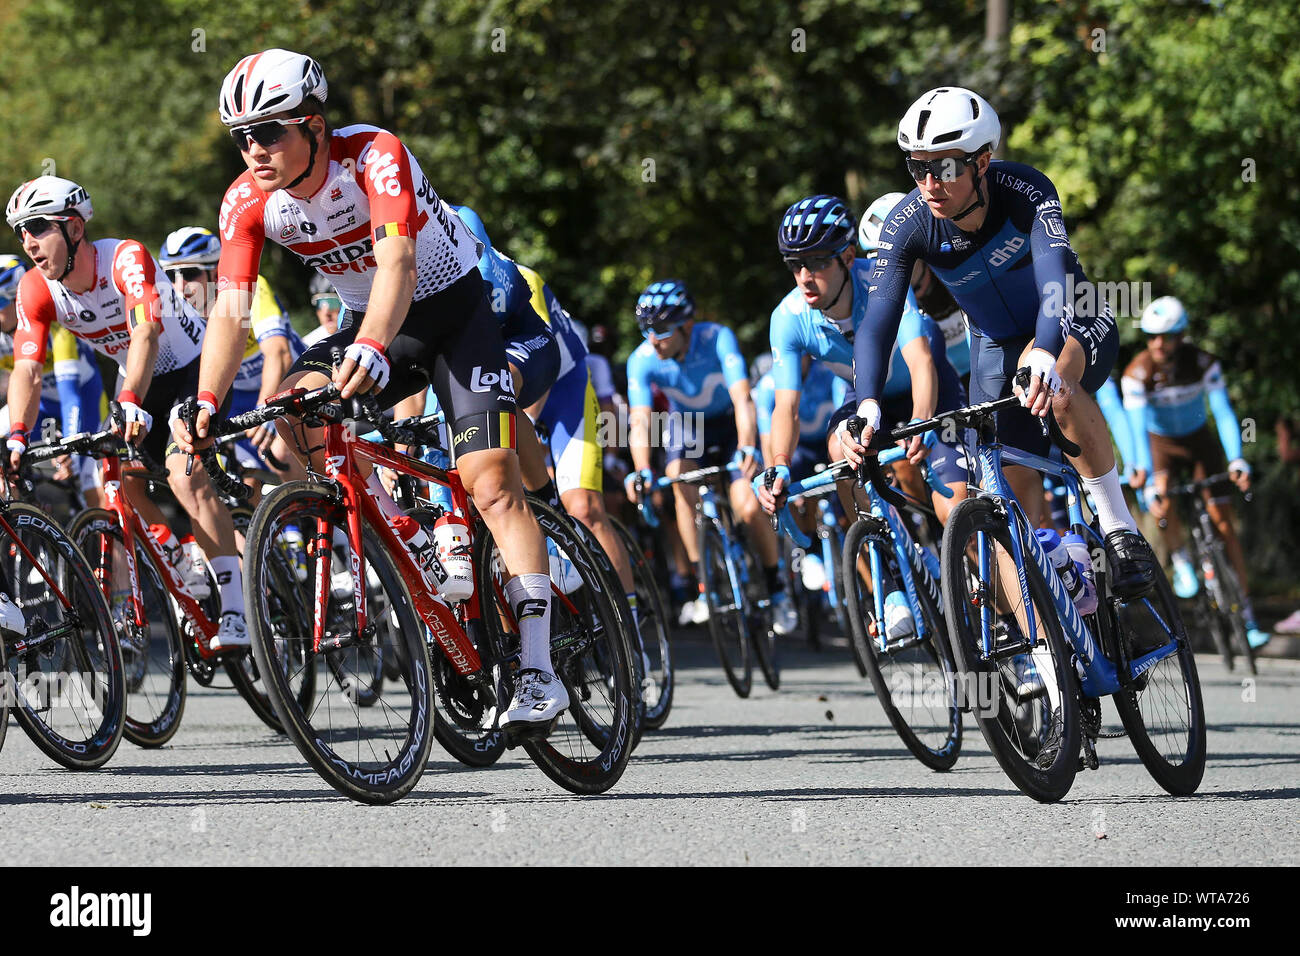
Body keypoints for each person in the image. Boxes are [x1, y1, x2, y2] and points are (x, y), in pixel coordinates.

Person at [171, 49, 566, 728]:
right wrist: (205, 401)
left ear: (315, 125)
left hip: (451, 314)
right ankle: (407, 534)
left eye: (269, 132)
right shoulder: (246, 201)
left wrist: (375, 348)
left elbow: (400, 261)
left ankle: (538, 672)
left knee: (491, 484)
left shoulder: (375, 155)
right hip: (371, 321)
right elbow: (231, 313)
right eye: (241, 137)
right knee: (293, 408)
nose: (253, 150)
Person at [846, 87, 1158, 599]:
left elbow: (1055, 281)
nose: (929, 183)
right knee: (1011, 497)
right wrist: (869, 405)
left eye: (944, 168)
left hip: (1069, 317)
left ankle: (1121, 530)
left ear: (982, 161)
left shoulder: (1025, 189)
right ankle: (1062, 615)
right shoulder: (908, 223)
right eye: (917, 168)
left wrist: (1044, 346)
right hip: (994, 344)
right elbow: (879, 320)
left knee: (1054, 384)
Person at [5, 175, 248, 646]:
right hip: (137, 379)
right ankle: (177, 556)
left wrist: (130, 401)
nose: (28, 242)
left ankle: (237, 610)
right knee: (109, 478)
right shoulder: (35, 289)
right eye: (21, 232)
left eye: (38, 227)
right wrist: (18, 433)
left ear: (75, 228)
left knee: (183, 475)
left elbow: (146, 335)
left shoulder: (124, 258)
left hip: (192, 371)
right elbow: (28, 371)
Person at [755, 194, 968, 528]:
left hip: (926, 391)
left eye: (818, 261)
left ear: (849, 256)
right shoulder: (787, 317)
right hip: (865, 398)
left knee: (954, 513)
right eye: (795, 264)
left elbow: (921, 361)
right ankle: (884, 546)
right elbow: (787, 408)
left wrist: (922, 419)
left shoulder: (886, 279)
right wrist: (780, 462)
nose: (805, 276)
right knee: (840, 451)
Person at [624, 279, 799, 634]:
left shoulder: (718, 337)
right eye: (645, 330)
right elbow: (640, 421)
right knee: (676, 478)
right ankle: (703, 584)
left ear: (687, 325)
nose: (652, 339)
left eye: (660, 329)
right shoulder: (642, 359)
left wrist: (749, 444)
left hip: (730, 424)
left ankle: (776, 586)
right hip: (688, 427)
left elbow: (742, 400)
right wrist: (641, 469)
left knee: (748, 506)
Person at [1122, 295, 1268, 648]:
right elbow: (1137, 430)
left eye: (1167, 336)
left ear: (1182, 335)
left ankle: (1247, 615)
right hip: (1162, 447)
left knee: (1223, 524)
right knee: (1163, 498)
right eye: (1152, 336)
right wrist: (1147, 476)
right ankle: (1181, 557)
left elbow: (1223, 411)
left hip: (1200, 442)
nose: (1158, 344)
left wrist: (1236, 459)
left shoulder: (1203, 363)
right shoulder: (1136, 373)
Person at [158, 226, 306, 494]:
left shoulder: (250, 288)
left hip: (287, 381)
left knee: (279, 453)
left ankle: (325, 526)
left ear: (216, 271)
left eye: (190, 273)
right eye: (170, 275)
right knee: (240, 478)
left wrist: (265, 411)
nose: (180, 286)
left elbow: (278, 353)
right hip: (238, 395)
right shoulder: (177, 311)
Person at [0, 254, 105, 505]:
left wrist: (70, 448)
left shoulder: (59, 327)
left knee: (92, 483)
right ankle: (17, 520)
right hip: (41, 407)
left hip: (85, 405)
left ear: (17, 299)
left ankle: (111, 540)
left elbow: (71, 396)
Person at [302, 273, 341, 348]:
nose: (326, 312)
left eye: (332, 302)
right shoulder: (307, 345)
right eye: (319, 303)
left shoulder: (364, 336)